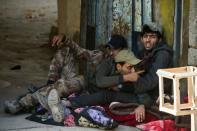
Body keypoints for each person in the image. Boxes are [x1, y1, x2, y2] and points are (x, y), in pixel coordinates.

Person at [3, 34, 128, 114]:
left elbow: (117, 87)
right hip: (83, 81)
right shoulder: (103, 56)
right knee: (65, 50)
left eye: (115, 49)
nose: (111, 52)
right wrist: (65, 39)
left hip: (88, 89)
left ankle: (21, 104)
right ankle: (48, 85)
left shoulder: (126, 66)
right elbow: (81, 52)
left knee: (62, 85)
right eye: (109, 48)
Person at [47, 49, 151, 123]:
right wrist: (123, 79)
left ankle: (66, 104)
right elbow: (100, 81)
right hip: (100, 90)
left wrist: (141, 105)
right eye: (129, 67)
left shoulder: (134, 77)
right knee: (98, 91)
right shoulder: (108, 64)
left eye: (134, 67)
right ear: (119, 66)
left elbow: (146, 98)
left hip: (131, 98)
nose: (133, 71)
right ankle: (62, 105)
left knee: (106, 95)